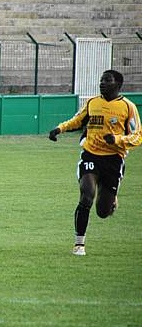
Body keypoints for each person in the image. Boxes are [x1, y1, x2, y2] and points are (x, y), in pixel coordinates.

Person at [48, 69, 141, 256]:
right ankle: (79, 244)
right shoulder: (92, 102)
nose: (102, 83)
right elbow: (77, 120)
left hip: (114, 161)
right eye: (101, 80)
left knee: (102, 211)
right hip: (91, 156)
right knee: (86, 195)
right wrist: (59, 129)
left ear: (118, 84)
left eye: (107, 80)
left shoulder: (128, 107)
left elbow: (137, 136)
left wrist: (117, 140)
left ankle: (112, 198)